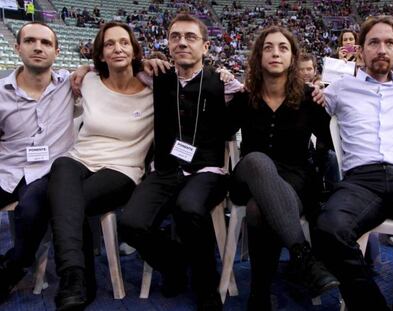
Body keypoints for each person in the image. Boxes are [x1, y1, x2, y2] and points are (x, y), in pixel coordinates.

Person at [118, 13, 243, 311]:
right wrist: (83, 70)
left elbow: (250, 99)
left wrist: (233, 80)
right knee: (130, 223)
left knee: (188, 208)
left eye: (190, 37)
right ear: (168, 43)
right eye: (175, 37)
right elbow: (114, 67)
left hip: (206, 170)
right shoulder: (156, 75)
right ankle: (174, 263)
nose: (182, 42)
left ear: (206, 46)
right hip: (165, 169)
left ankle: (206, 285)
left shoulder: (223, 82)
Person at [225, 26, 339, 311]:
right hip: (247, 178)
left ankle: (259, 295)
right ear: (258, 57)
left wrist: (335, 101)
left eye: (283, 48)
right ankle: (304, 256)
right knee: (256, 160)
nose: (275, 52)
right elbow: (217, 133)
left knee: (258, 209)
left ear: (292, 57)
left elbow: (334, 140)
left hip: (295, 181)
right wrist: (220, 86)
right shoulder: (244, 98)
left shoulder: (310, 100)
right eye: (268, 47)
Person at [48, 21, 154, 311]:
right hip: (80, 158)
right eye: (109, 44)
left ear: (134, 50)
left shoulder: (154, 89)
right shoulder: (89, 81)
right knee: (61, 167)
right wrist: (83, 70)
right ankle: (75, 276)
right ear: (101, 53)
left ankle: (75, 281)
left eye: (123, 42)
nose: (117, 48)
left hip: (123, 168)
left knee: (68, 203)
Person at [314, 16, 393, 311]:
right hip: (361, 181)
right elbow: (303, 97)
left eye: (389, 43)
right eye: (374, 42)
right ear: (360, 50)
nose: (382, 49)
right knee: (328, 230)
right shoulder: (341, 88)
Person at [0, 22, 76, 303]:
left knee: (30, 212)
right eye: (30, 41)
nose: (38, 47)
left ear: (56, 51)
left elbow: (111, 70)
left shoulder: (70, 84)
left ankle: (11, 269)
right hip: (6, 169)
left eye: (45, 43)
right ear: (17, 47)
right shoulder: (0, 92)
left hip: (48, 173)